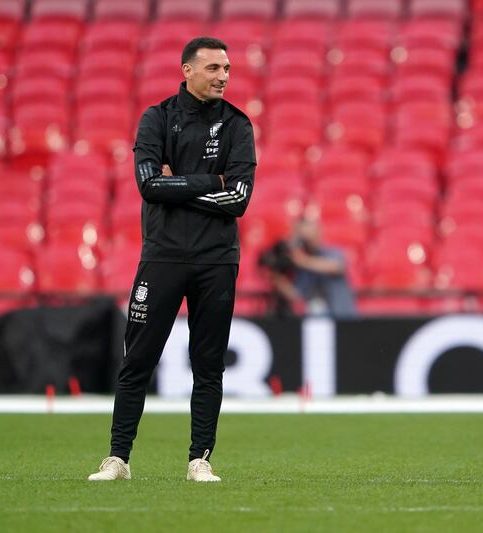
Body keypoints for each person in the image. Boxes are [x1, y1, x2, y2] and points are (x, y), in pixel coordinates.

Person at [88, 37, 256, 482]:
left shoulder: (238, 125)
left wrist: (177, 183)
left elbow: (238, 199)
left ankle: (199, 459)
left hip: (217, 260)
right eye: (214, 68)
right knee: (137, 361)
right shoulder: (157, 118)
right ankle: (117, 459)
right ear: (187, 70)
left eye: (227, 68)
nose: (223, 76)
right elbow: (147, 186)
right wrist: (208, 182)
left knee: (208, 363)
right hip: (162, 256)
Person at [261, 218, 357, 318]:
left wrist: (302, 260)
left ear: (318, 232)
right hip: (317, 321)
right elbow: (295, 294)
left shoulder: (332, 252)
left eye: (307, 234)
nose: (305, 239)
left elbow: (336, 267)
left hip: (342, 317)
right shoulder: (302, 265)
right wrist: (276, 277)